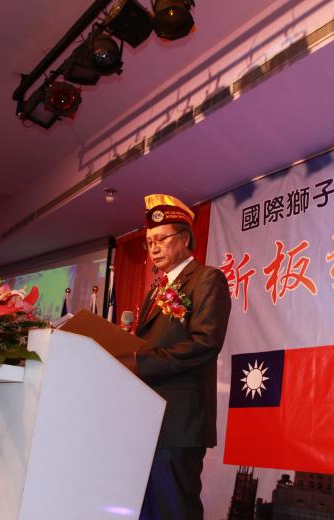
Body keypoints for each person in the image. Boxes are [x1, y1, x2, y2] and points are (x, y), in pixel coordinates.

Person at [121, 194, 231, 520]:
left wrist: (139, 362)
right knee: (146, 510)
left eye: (161, 239)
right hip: (149, 417)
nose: (154, 248)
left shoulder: (207, 279)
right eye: (149, 242)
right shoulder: (155, 290)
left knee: (174, 510)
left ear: (184, 239)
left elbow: (205, 344)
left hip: (179, 421)